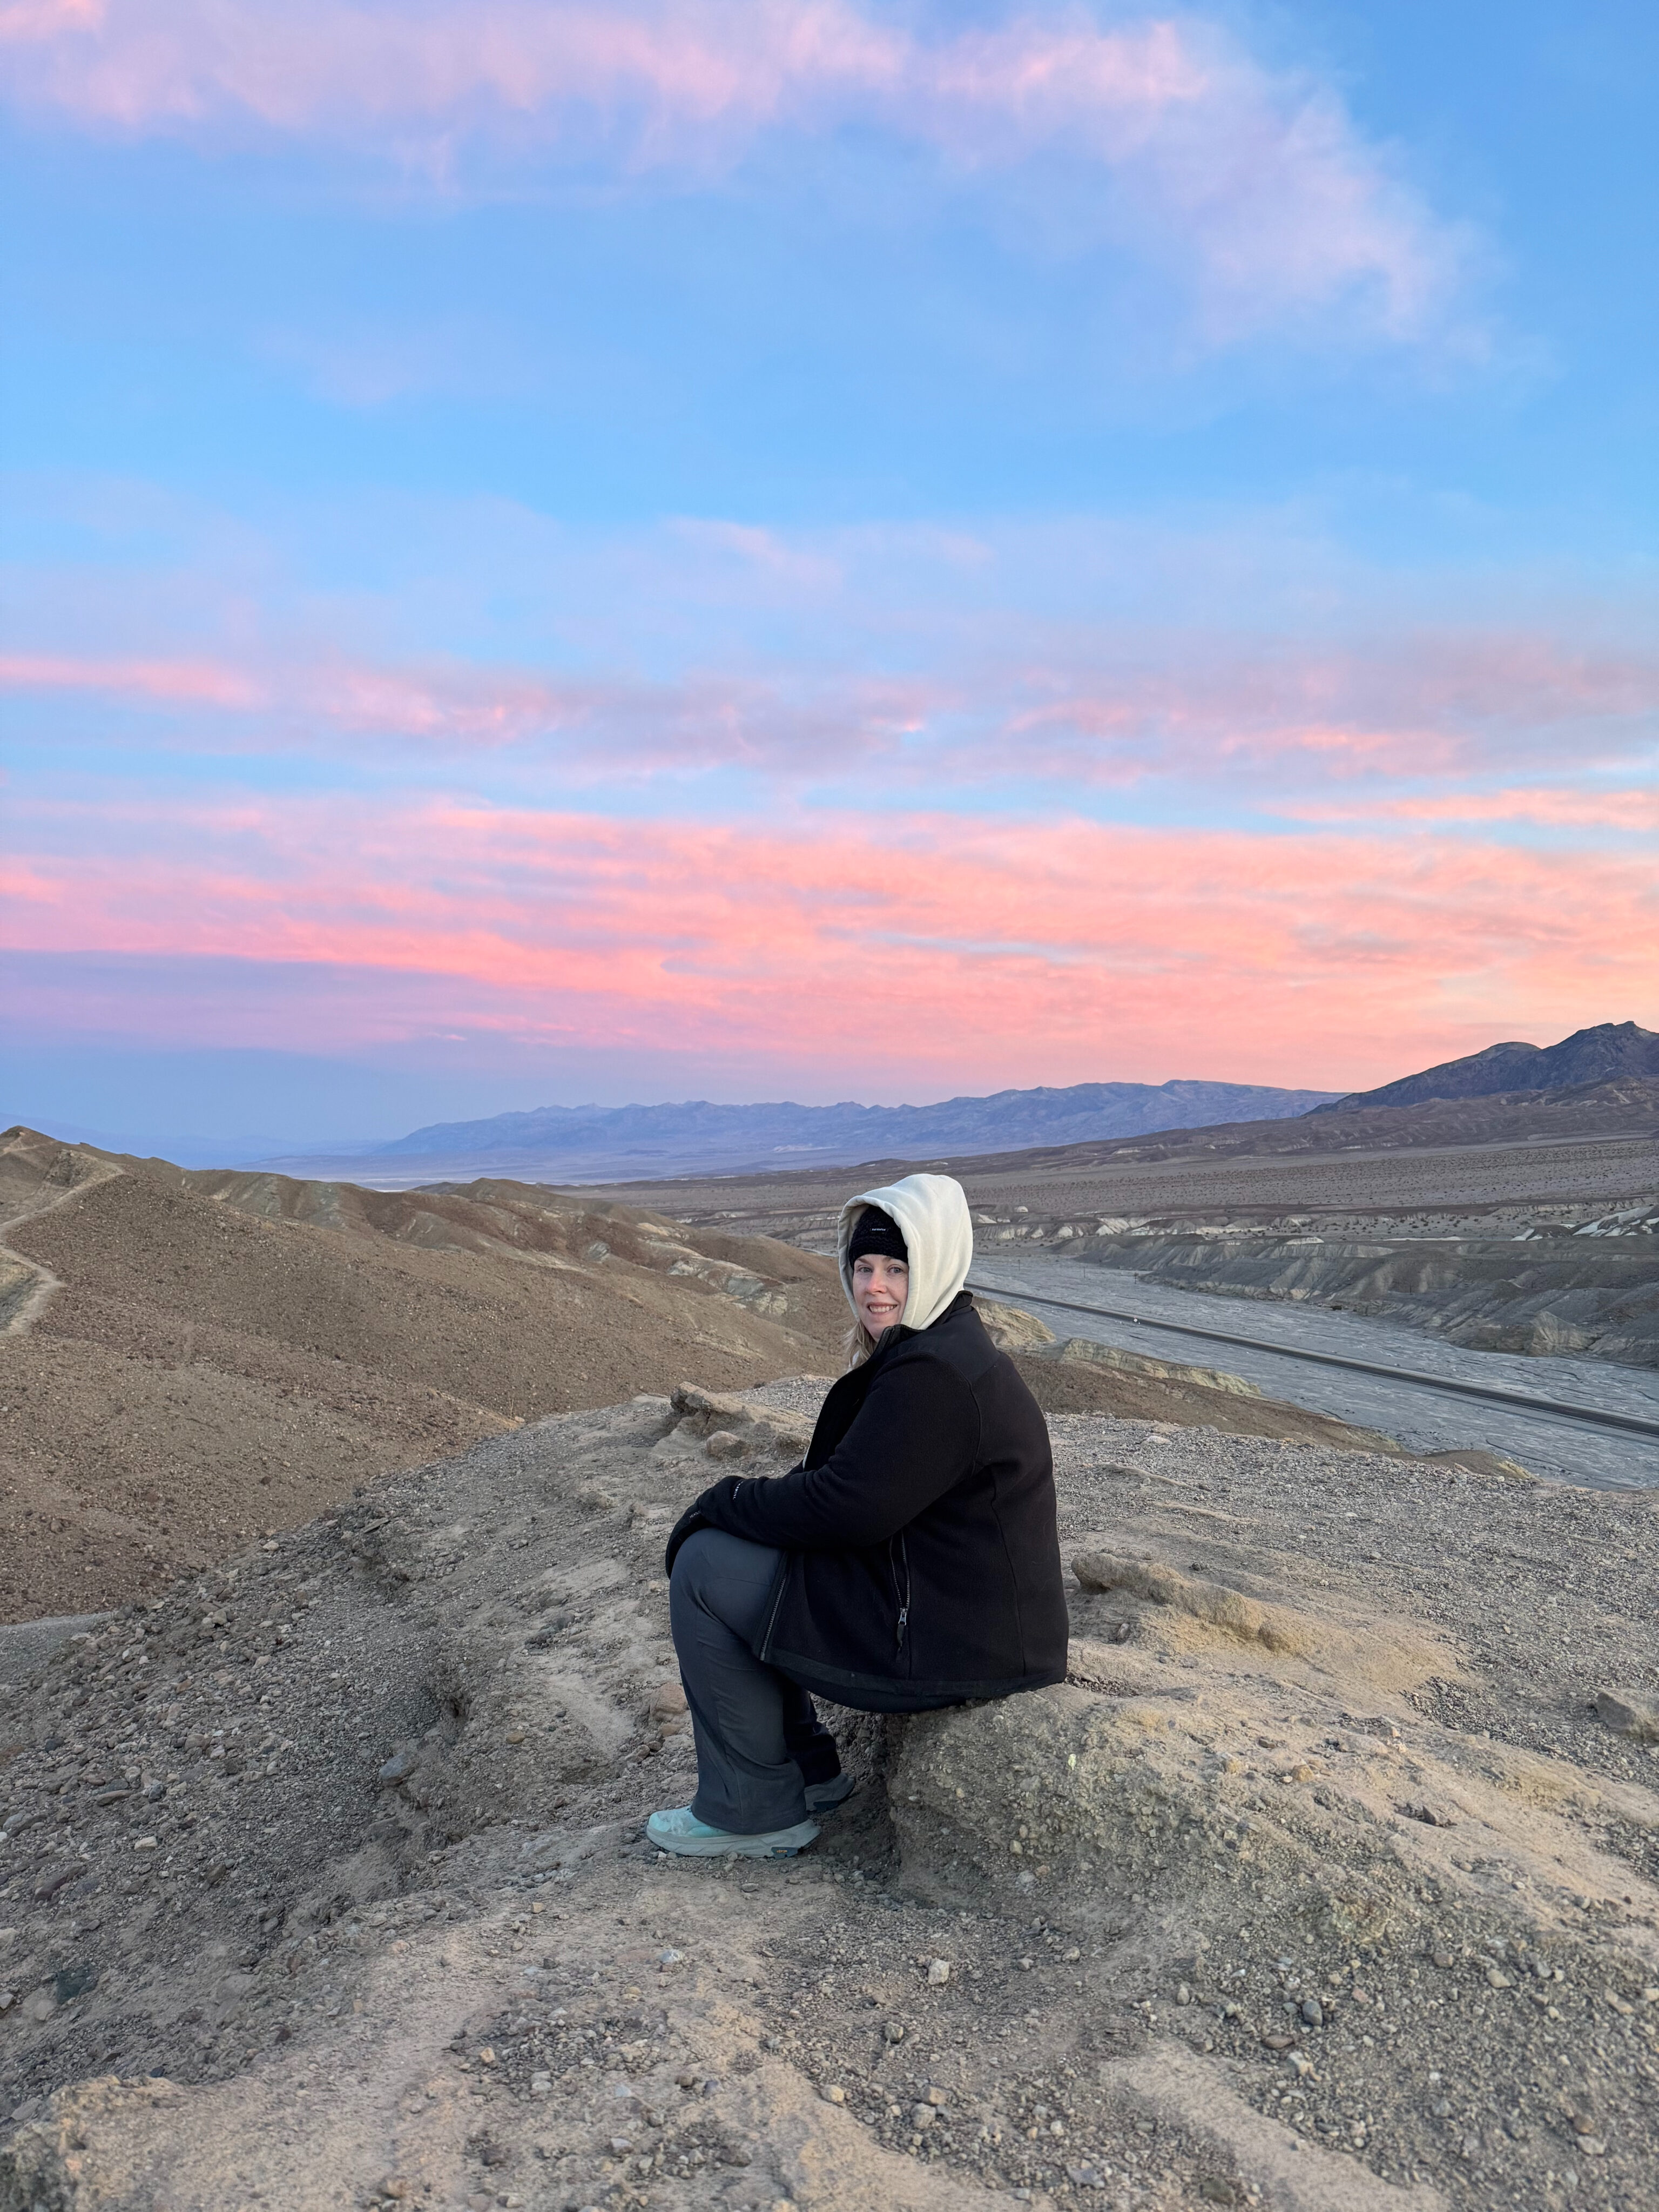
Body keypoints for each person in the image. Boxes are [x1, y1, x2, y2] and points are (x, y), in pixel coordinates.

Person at [647, 1170, 1068, 1859]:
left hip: (958, 1643)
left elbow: (845, 1508)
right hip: (960, 1615)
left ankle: (752, 1808)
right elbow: (853, 1488)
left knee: (704, 1565)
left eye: (897, 1268)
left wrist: (721, 1501)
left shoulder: (934, 1376)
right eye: (864, 1265)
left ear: (932, 1266)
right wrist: (744, 1506)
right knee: (750, 1550)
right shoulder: (940, 1347)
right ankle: (809, 1773)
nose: (875, 1286)